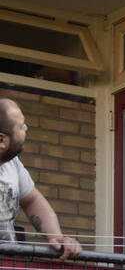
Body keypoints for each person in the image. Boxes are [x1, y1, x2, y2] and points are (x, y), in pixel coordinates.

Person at [0, 97, 82, 259]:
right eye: (21, 126)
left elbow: (32, 200)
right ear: (1, 139)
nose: (26, 128)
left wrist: (56, 237)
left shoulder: (12, 164)